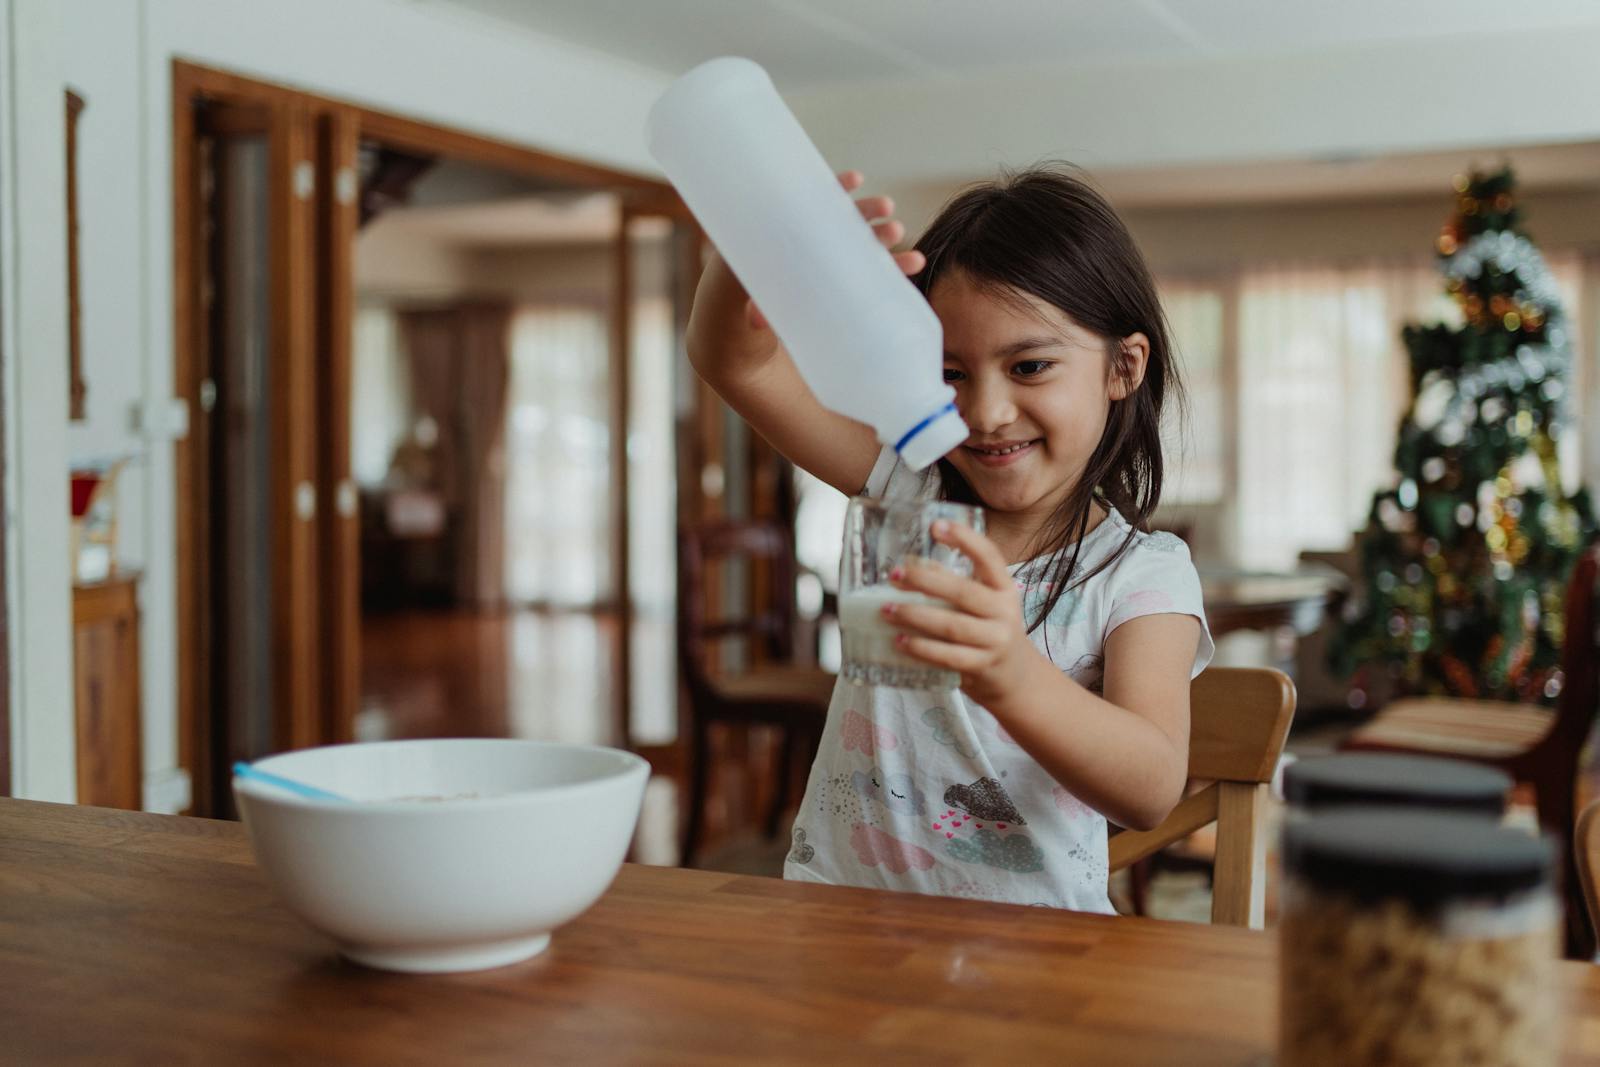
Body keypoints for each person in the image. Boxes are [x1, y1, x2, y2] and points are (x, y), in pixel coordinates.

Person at [686, 164, 1213, 912]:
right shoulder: (905, 489)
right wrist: (749, 250)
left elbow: (1152, 786)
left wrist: (1012, 672)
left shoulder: (1139, 574)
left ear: (1123, 366)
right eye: (949, 372)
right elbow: (732, 359)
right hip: (839, 921)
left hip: (1035, 956)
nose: (987, 411)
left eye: (1029, 366)